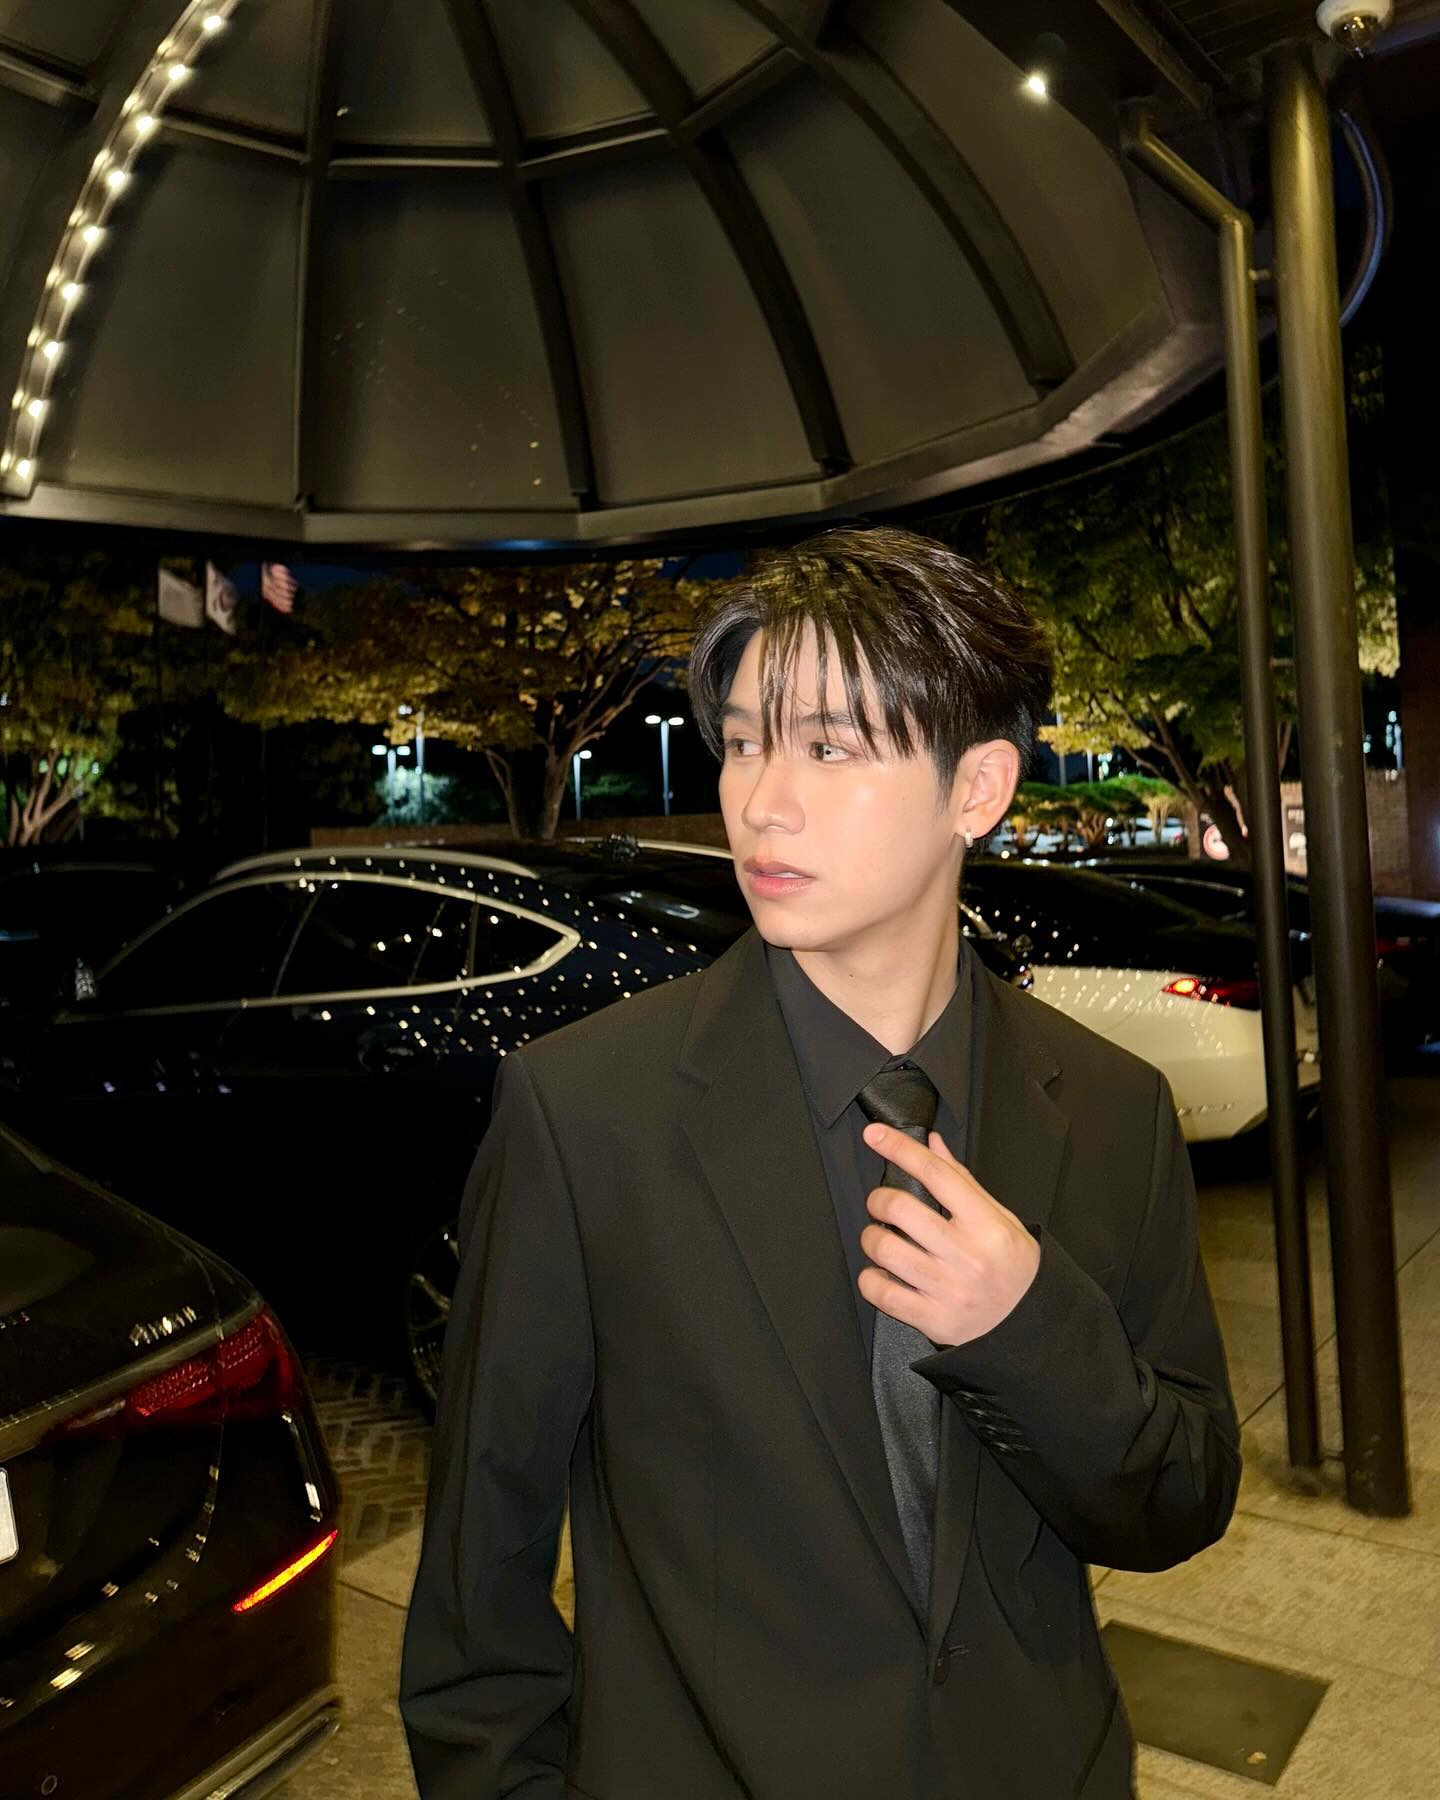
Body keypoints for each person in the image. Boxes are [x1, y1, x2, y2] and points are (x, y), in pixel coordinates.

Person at [399, 525, 1241, 1799]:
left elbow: (1178, 1502)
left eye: (830, 748)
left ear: (978, 789)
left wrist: (1028, 1326)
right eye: (745, 742)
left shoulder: (1115, 1110)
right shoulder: (587, 1113)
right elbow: (480, 1584)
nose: (760, 801)